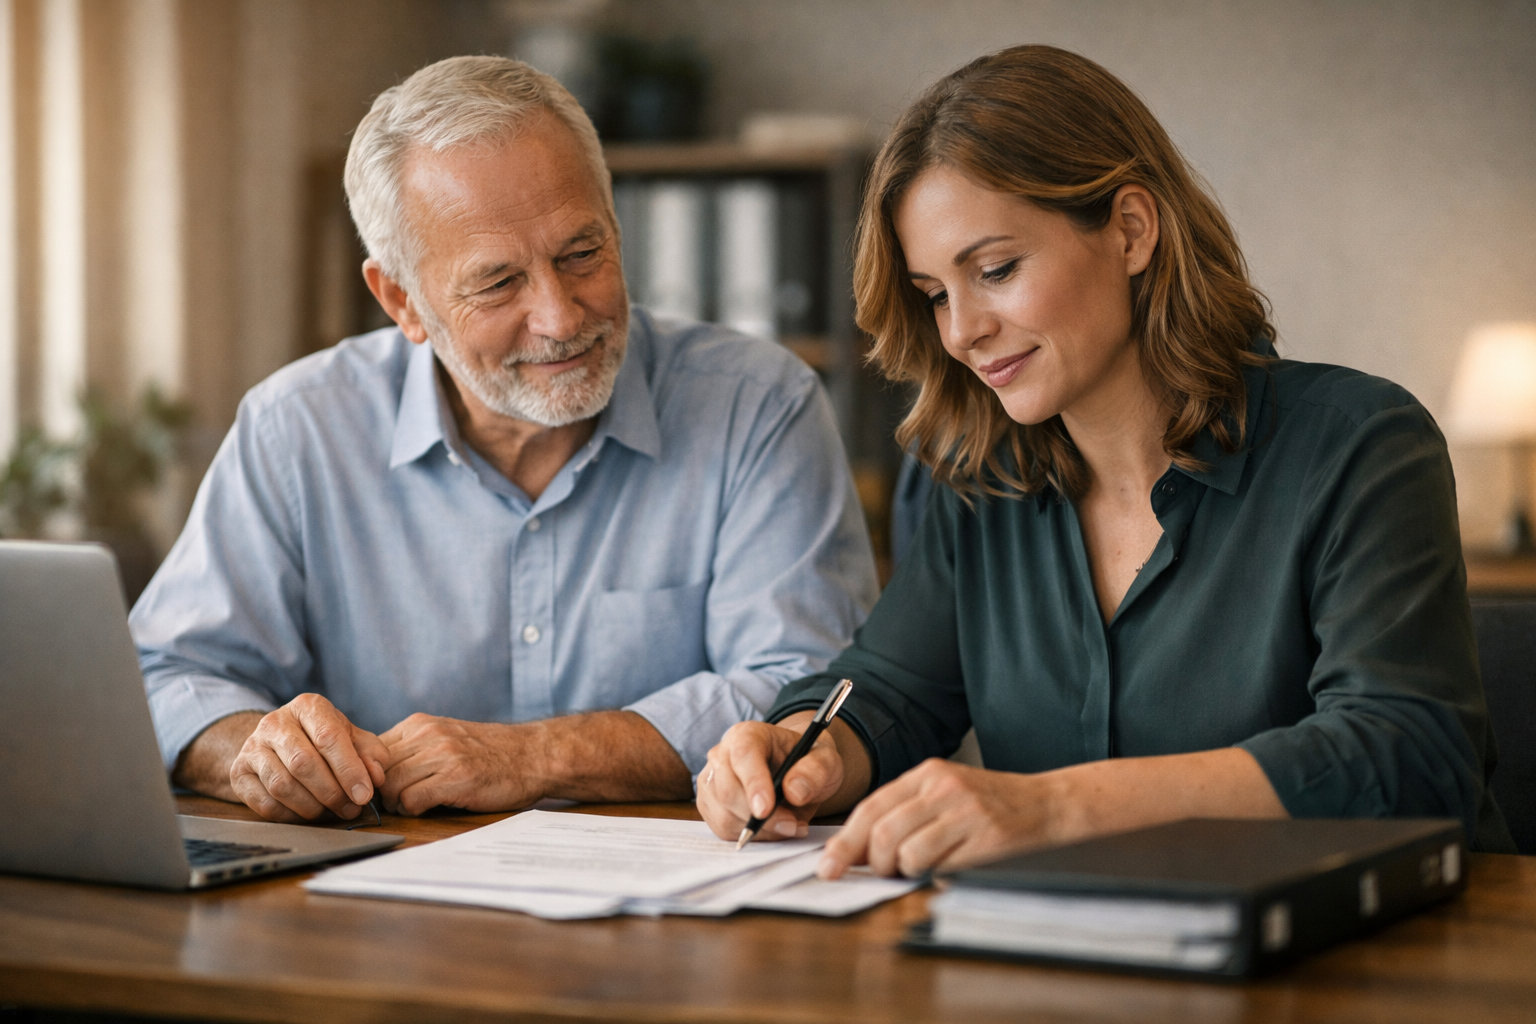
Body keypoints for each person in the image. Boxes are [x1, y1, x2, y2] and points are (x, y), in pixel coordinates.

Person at [697, 44, 1513, 874]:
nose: (962, 330)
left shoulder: (1359, 442)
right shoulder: (979, 477)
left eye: (996, 270)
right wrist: (801, 750)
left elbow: (1409, 757)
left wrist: (1057, 807)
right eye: (936, 295)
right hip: (1076, 940)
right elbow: (890, 692)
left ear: (1130, 230)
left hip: (1375, 940)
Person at [131, 55, 878, 825]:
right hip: (379, 885)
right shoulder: (297, 428)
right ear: (401, 300)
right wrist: (260, 753)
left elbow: (810, 691)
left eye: (582, 254)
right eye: (497, 283)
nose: (560, 317)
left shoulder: (760, 404)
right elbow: (164, 676)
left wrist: (533, 757)